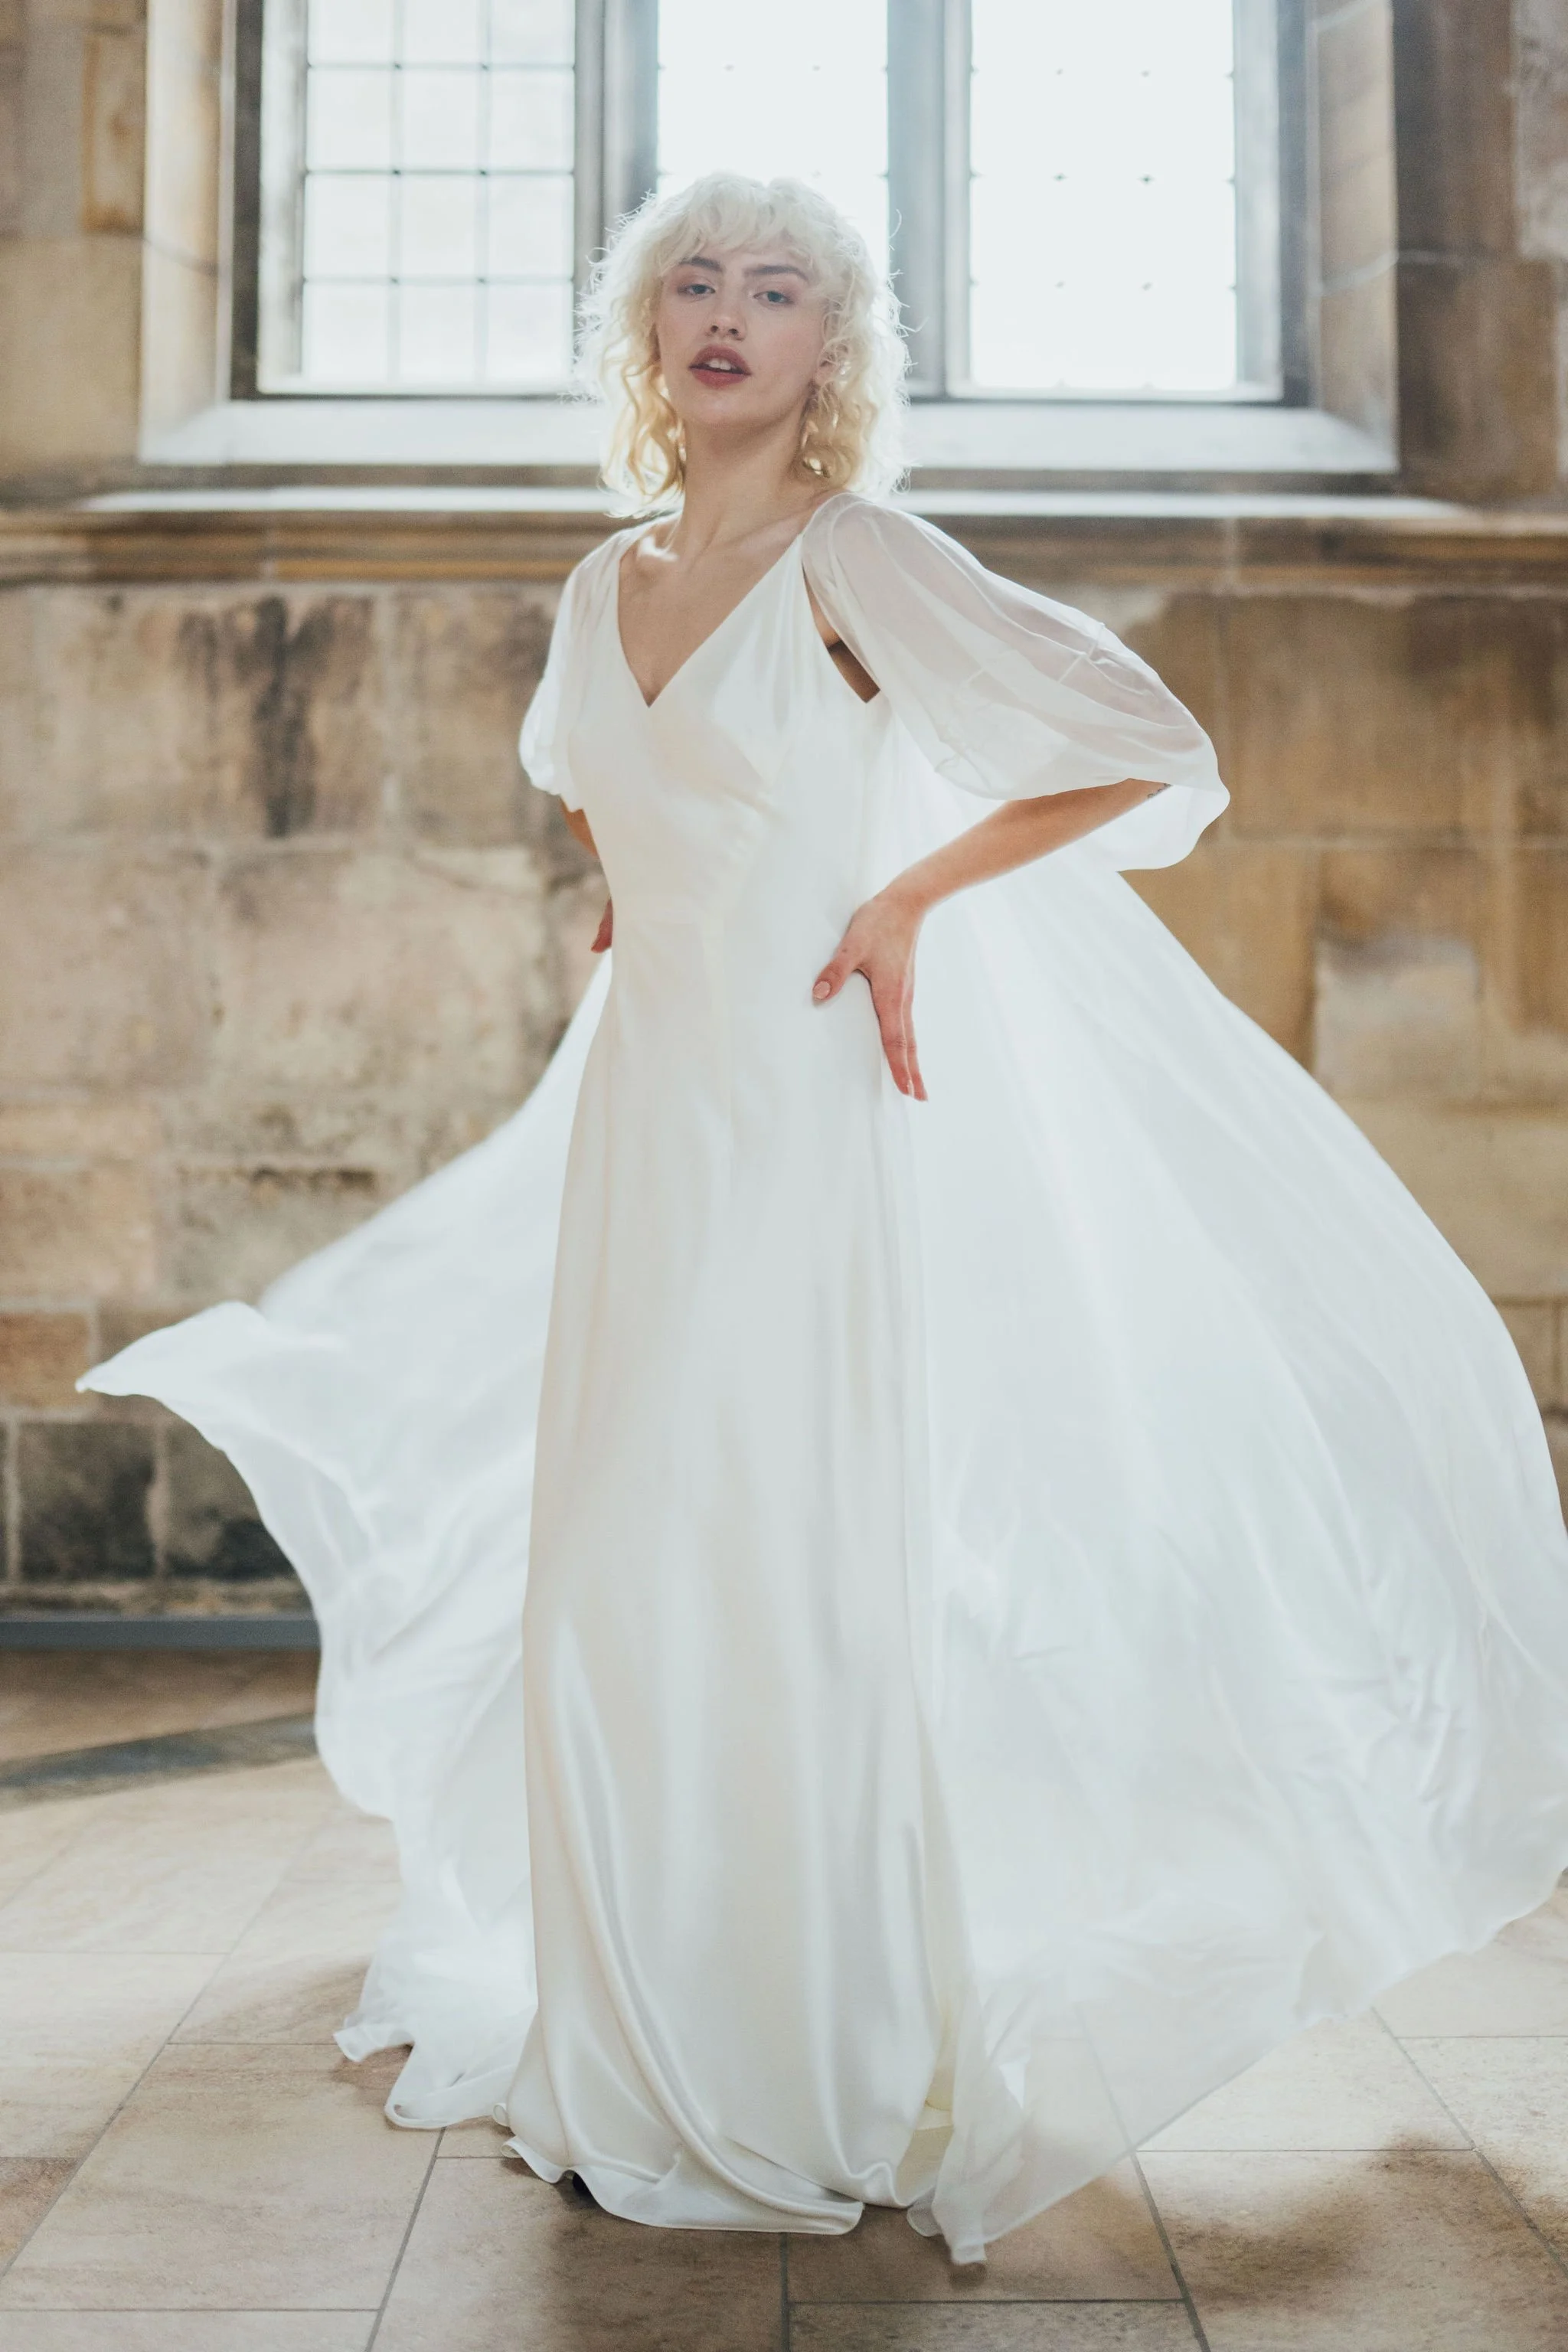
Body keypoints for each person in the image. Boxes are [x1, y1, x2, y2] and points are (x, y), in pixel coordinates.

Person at [84, 175, 1568, 2265]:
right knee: (611, 1566)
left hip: (802, 1120)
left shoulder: (856, 555)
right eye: (693, 281)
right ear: (646, 331)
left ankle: (805, 2043)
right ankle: (636, 2029)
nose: (727, 315)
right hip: (645, 1127)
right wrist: (641, 890)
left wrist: (898, 898)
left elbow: (1144, 749)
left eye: (777, 291)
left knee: (777, 1565)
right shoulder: (603, 582)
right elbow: (615, 788)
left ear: (826, 350)